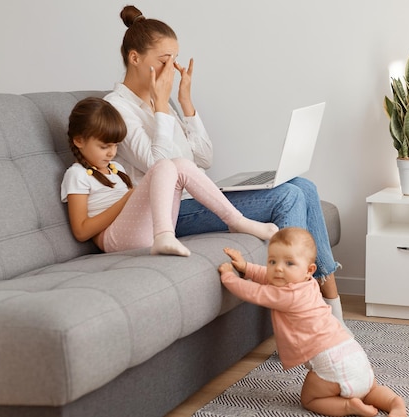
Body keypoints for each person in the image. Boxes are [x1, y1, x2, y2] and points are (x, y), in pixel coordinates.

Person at [104, 5, 348, 325]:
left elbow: (203, 159)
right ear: (135, 58)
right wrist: (163, 105)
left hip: (199, 195)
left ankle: (331, 307)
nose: (172, 69)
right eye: (164, 60)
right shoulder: (116, 108)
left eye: (174, 59)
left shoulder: (163, 102)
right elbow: (159, 166)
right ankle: (300, 319)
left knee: (303, 186)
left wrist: (186, 104)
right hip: (167, 213)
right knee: (289, 197)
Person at [218, 227, 407, 417]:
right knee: (371, 390)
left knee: (310, 399)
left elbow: (254, 292)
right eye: (272, 261)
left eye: (289, 263)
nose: (278, 268)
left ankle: (349, 407)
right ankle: (394, 402)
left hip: (330, 363)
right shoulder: (309, 284)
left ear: (309, 270)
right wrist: (247, 267)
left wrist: (229, 276)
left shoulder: (287, 295)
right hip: (354, 354)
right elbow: (271, 278)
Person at [61, 97, 278, 256]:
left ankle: (236, 221)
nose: (111, 152)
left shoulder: (116, 168)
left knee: (181, 165)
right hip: (114, 239)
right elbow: (81, 231)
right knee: (163, 164)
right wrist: (126, 200)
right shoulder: (77, 174)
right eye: (104, 146)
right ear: (79, 141)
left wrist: (130, 198)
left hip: (140, 230)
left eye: (115, 146)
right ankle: (163, 235)